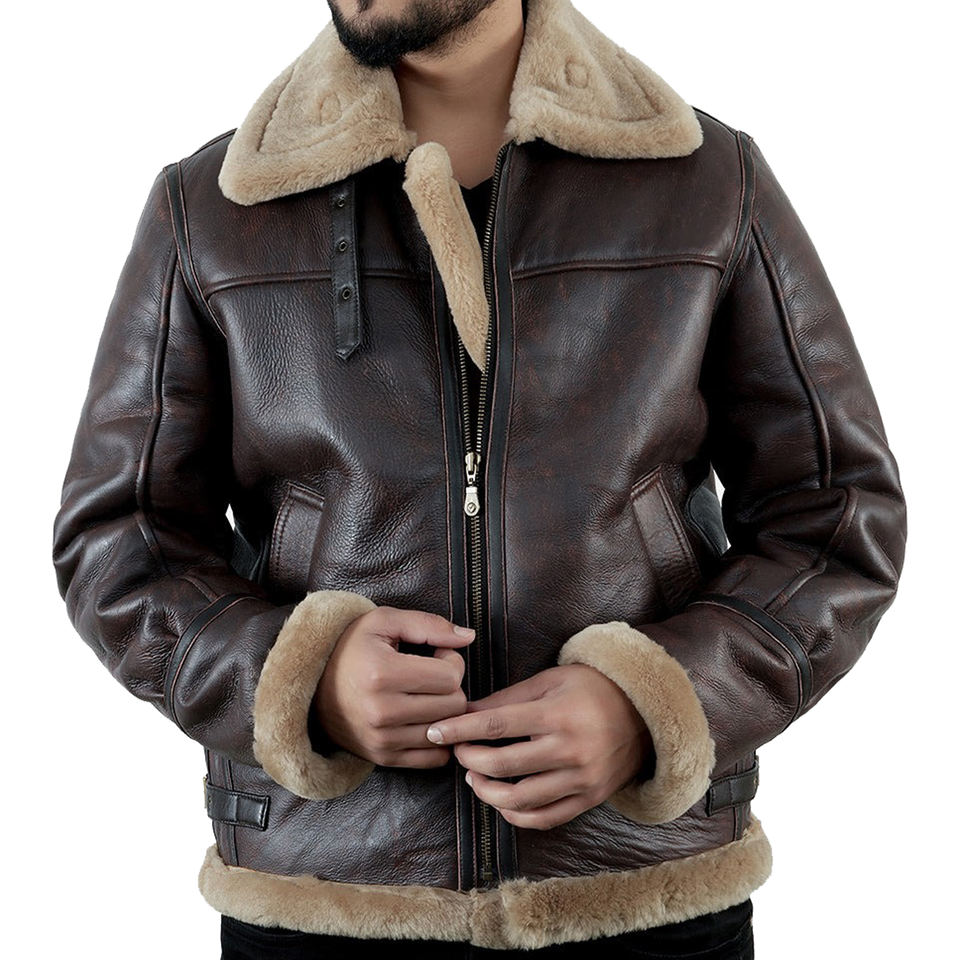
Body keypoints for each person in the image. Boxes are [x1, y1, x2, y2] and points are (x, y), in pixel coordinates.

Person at [50, 0, 908, 957]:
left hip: (641, 890)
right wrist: (302, 681)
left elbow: (836, 519)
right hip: (324, 898)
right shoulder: (212, 207)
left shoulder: (706, 182)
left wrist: (656, 703)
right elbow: (119, 541)